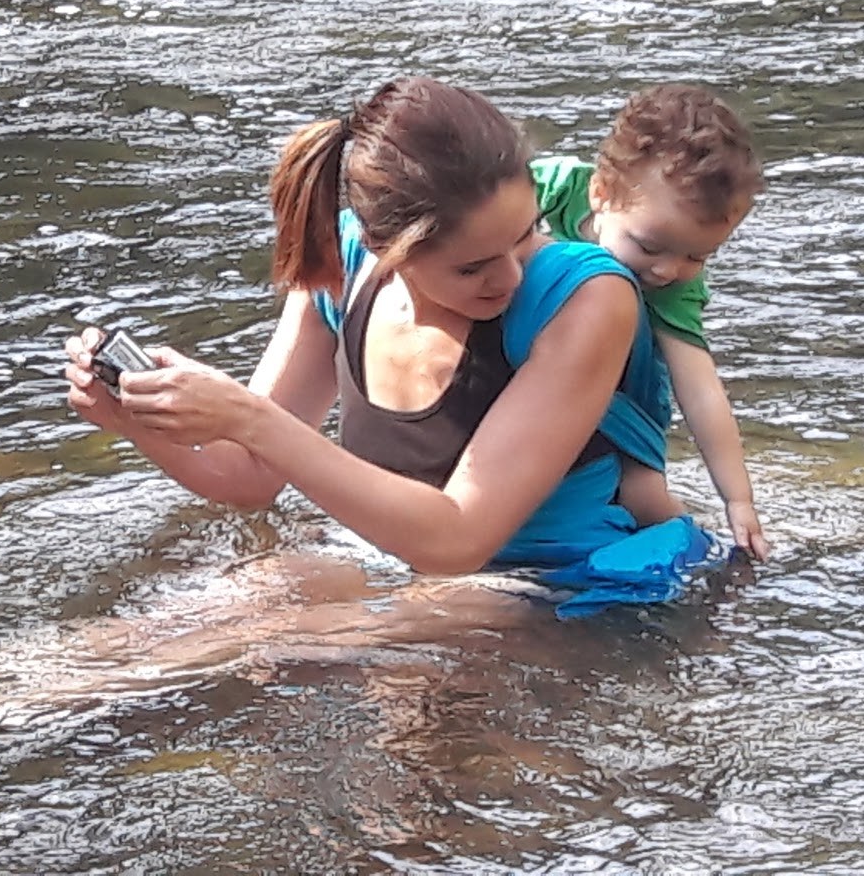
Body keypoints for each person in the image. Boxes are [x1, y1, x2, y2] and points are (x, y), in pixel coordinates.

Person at [65, 75, 719, 608]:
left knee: (251, 633)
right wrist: (137, 418)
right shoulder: (343, 264)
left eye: (526, 234)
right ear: (384, 249)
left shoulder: (585, 298)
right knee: (247, 598)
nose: (512, 274)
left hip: (560, 583)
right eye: (472, 266)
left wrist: (246, 416)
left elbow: (459, 538)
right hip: (410, 567)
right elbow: (250, 476)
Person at [531, 85, 767, 558]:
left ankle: (702, 552)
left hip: (627, 390)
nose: (666, 271)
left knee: (643, 496)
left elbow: (700, 389)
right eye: (650, 246)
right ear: (599, 194)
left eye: (697, 256)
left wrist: (738, 499)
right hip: (540, 350)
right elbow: (476, 213)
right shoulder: (549, 189)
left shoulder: (675, 287)